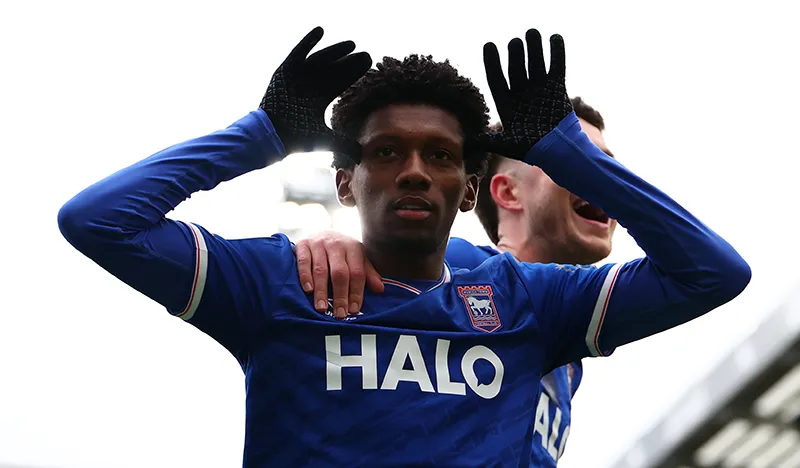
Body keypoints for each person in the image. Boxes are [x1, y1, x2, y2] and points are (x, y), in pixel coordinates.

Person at [58, 25, 751, 467]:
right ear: (346, 182)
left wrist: (569, 152)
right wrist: (260, 134)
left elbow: (714, 273)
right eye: (387, 151)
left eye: (442, 156)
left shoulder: (533, 306)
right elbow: (99, 221)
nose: (416, 171)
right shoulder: (285, 281)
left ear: (470, 189)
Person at [297, 97, 617, 466]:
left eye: (606, 166)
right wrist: (330, 242)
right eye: (575, 160)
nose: (600, 178)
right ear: (508, 192)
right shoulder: (463, 269)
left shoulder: (569, 353)